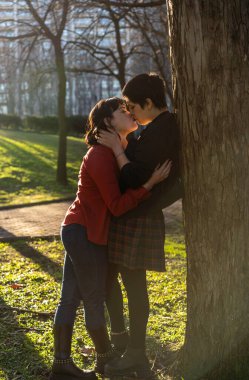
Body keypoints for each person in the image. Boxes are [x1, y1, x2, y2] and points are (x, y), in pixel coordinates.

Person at [50, 97, 171, 380]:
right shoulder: (101, 155)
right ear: (107, 121)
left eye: (130, 108)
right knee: (92, 299)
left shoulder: (118, 150)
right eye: (121, 110)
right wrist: (149, 184)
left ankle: (61, 363)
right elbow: (116, 205)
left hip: (83, 231)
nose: (129, 112)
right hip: (84, 232)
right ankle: (104, 361)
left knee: (69, 298)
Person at [98, 73, 182, 378]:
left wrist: (119, 151)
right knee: (116, 284)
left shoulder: (163, 129)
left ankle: (135, 354)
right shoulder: (154, 128)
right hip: (131, 215)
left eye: (133, 106)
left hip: (139, 218)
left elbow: (133, 176)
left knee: (134, 289)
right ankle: (126, 346)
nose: (130, 111)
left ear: (148, 103)